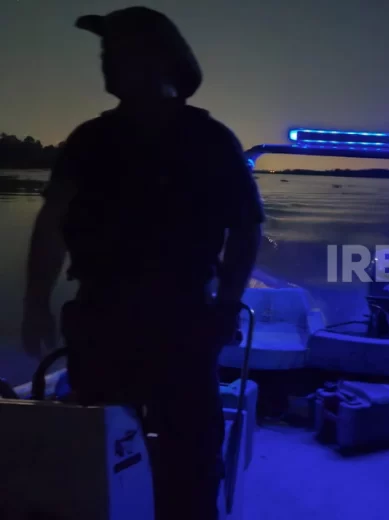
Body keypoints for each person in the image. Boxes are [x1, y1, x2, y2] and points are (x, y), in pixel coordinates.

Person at [20, 6, 264, 519]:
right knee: (98, 453)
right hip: (101, 319)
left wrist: (226, 307)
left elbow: (245, 230)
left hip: (184, 322)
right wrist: (35, 303)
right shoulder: (89, 139)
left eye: (118, 51)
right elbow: (52, 223)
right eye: (105, 52)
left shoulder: (212, 141)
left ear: (161, 59)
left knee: (192, 458)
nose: (106, 62)